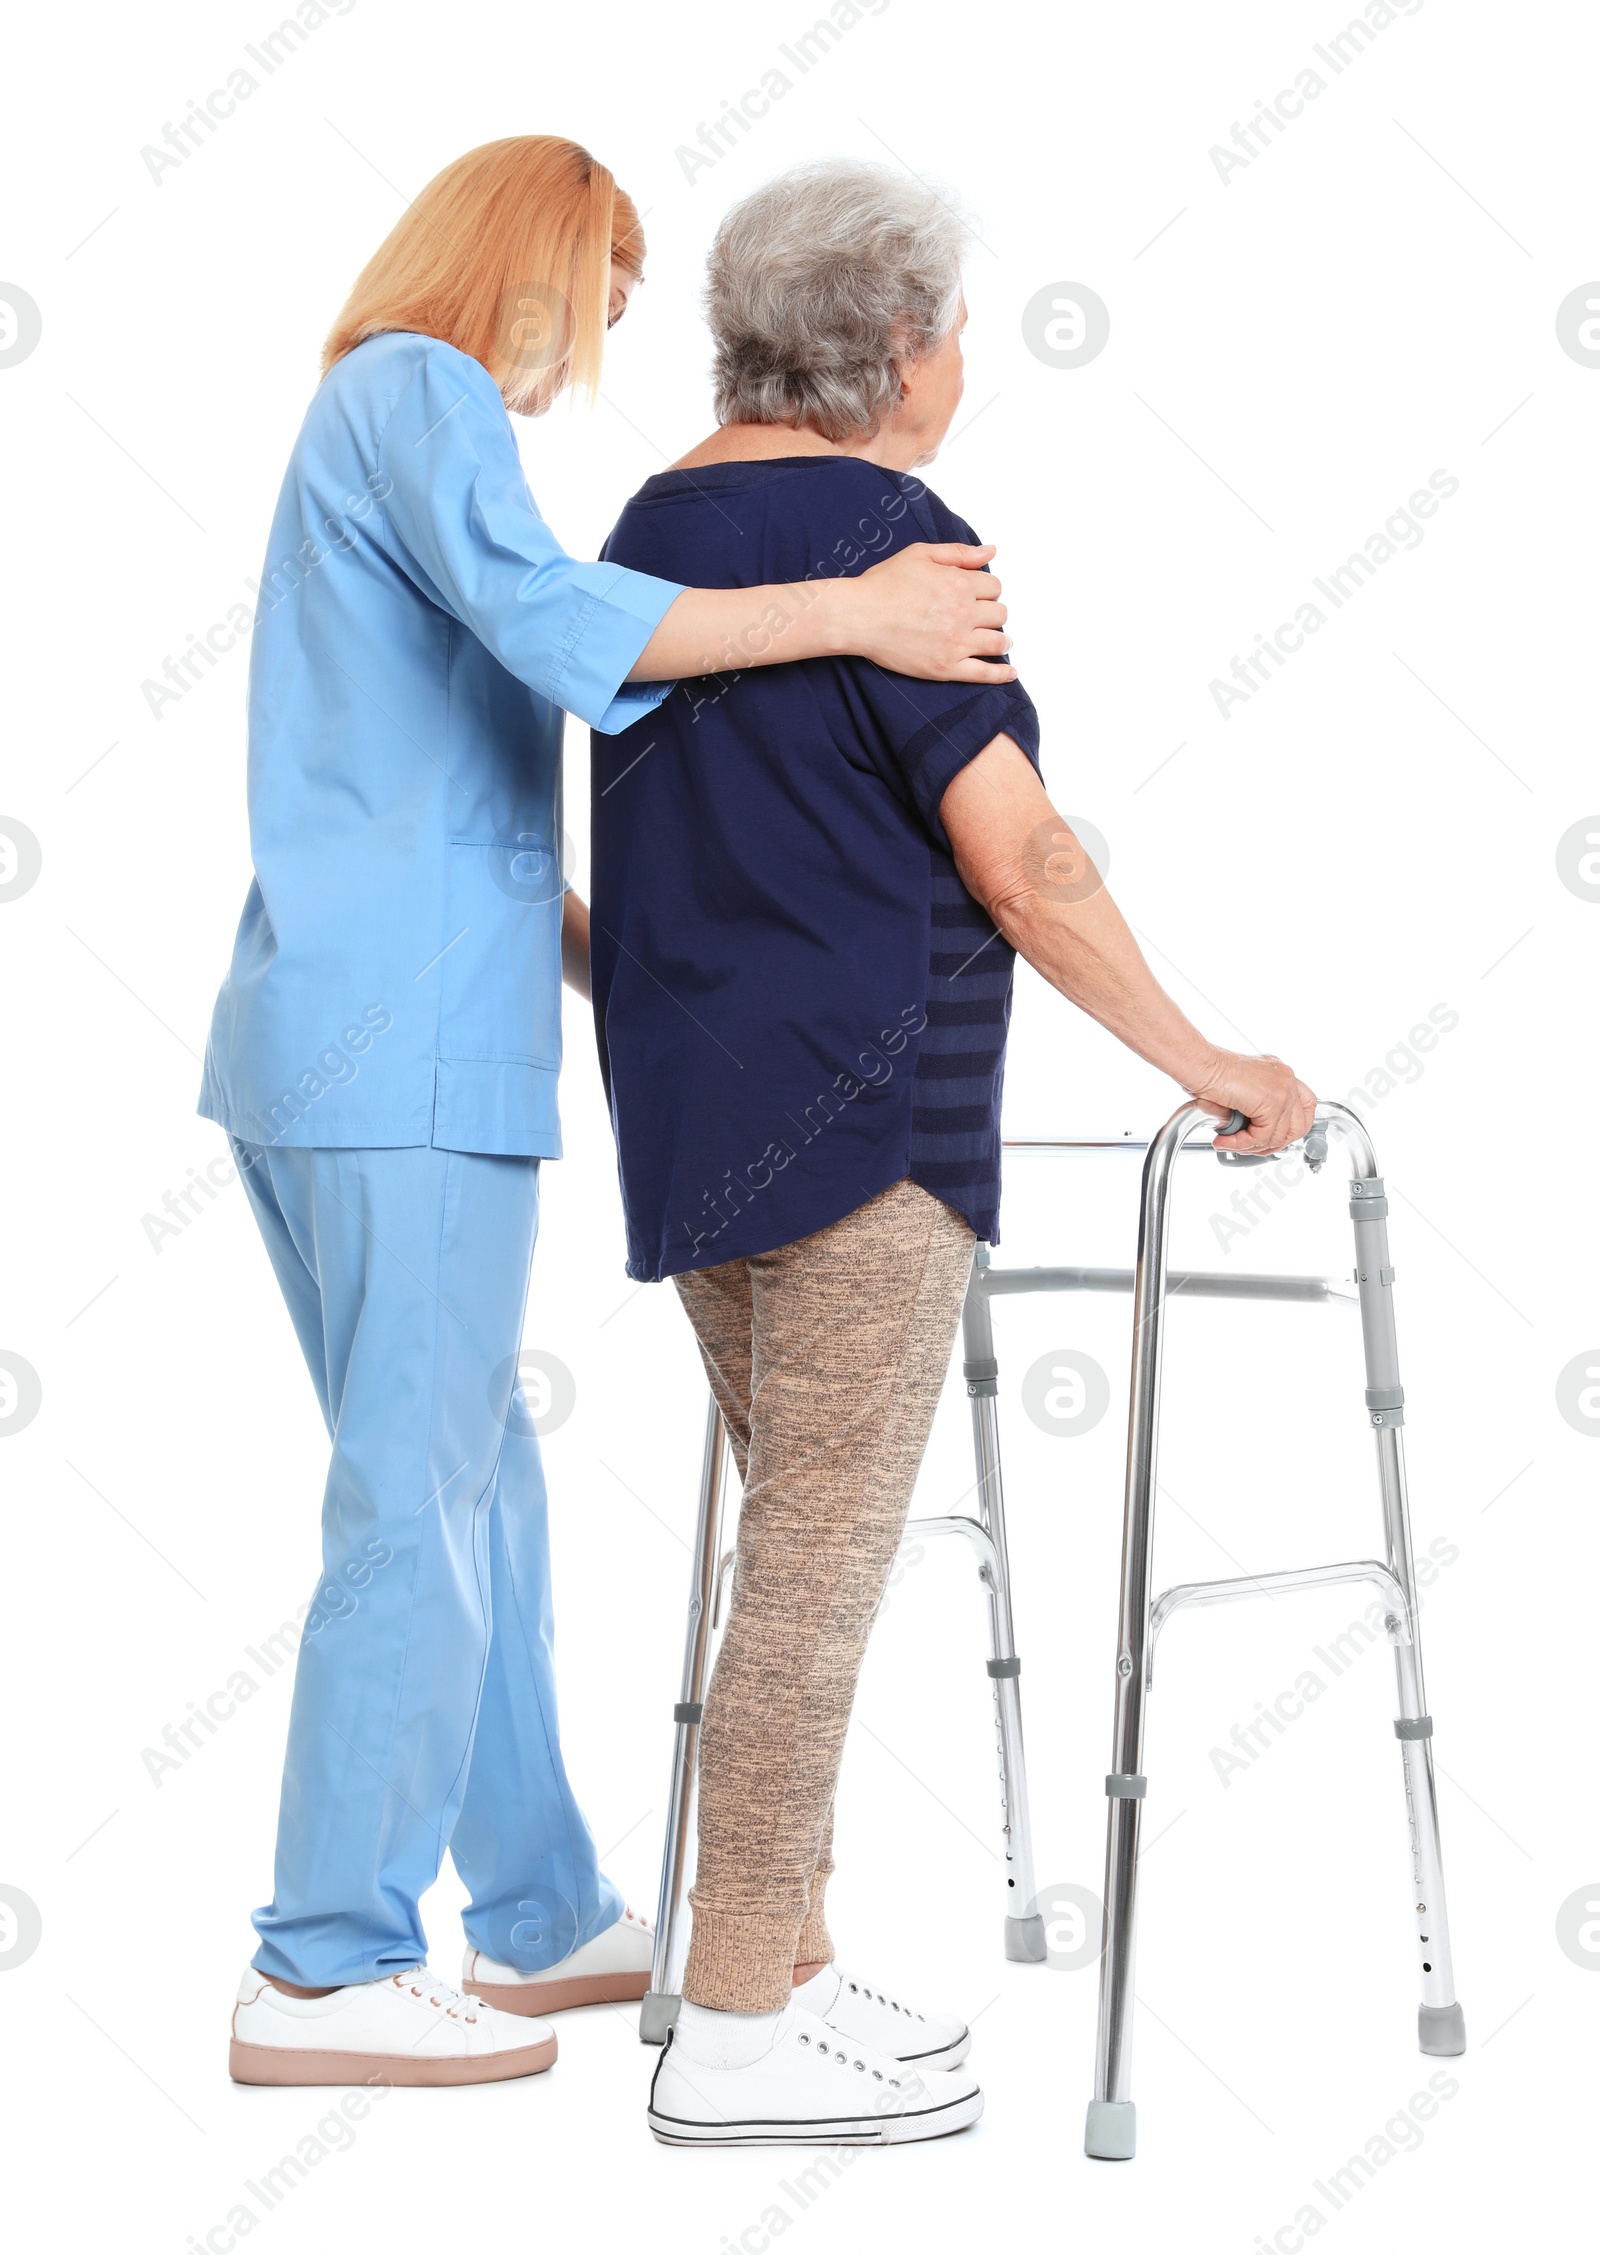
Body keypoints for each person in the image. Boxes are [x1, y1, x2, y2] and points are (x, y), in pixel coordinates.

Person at [202, 135, 1014, 2091]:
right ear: (540, 258)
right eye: (611, 287)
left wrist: (638, 974)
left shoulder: (389, 421)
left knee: (484, 1483)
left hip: (379, 1028)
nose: (614, 335)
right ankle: (318, 1967)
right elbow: (572, 628)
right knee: (415, 1491)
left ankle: (548, 1908)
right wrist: (854, 611)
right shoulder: (418, 388)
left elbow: (468, 807)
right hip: (387, 1059)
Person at [588, 158, 1318, 2146]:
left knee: (781, 1552)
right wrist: (1201, 1055)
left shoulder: (647, 535)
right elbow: (1024, 858)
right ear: (889, 348)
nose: (965, 362)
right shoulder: (889, 537)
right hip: (858, 1126)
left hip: (686, 1116)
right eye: (957, 330)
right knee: (815, 1575)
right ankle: (732, 2025)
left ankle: (788, 1967)